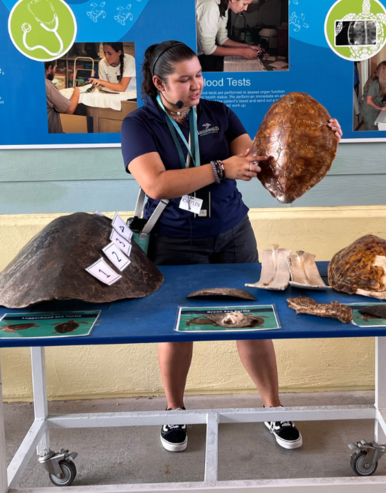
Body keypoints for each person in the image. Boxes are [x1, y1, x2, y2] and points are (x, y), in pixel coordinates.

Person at [121, 40, 342, 453]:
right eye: (184, 80)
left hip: (233, 233)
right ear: (158, 83)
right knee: (178, 329)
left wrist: (317, 143)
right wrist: (220, 168)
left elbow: (259, 162)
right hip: (175, 240)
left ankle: (272, 407)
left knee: (254, 319)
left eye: (199, 76)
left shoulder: (218, 113)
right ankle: (175, 411)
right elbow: (156, 184)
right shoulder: (139, 124)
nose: (196, 85)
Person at [195, 0, 264, 71]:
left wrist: (248, 47)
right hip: (186, 54)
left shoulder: (223, 6)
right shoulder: (210, 5)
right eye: (245, 4)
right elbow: (208, 49)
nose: (246, 9)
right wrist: (242, 52)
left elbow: (222, 39)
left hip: (197, 54)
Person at [45, 63, 81, 133]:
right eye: (55, 68)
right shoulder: (48, 86)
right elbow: (70, 109)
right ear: (49, 68)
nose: (55, 72)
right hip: (51, 136)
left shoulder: (29, 82)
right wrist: (77, 90)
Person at [359, 63, 386, 131]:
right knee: (371, 131)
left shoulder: (378, 81)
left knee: (375, 129)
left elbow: (384, 91)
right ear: (384, 72)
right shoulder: (375, 83)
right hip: (369, 111)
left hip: (373, 109)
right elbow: (369, 101)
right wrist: (381, 108)